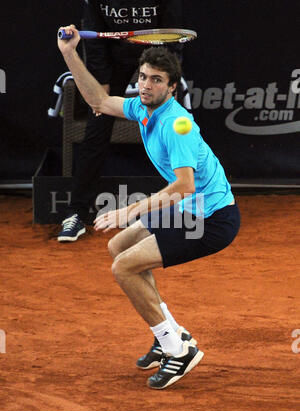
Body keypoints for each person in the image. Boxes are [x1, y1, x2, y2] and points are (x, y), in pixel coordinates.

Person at [57, 25, 240, 389]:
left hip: (210, 219)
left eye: (156, 80)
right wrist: (69, 52)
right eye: (142, 77)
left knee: (123, 267)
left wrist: (128, 211)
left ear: (172, 88)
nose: (145, 85)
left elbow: (185, 185)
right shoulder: (144, 110)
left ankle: (177, 349)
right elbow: (98, 101)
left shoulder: (178, 124)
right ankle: (171, 333)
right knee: (118, 246)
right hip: (189, 208)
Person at [58, 0, 183, 242]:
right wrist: (101, 80)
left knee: (169, 132)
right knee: (97, 128)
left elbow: (172, 36)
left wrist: (165, 81)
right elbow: (95, 40)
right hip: (113, 61)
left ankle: (179, 210)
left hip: (156, 61)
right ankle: (76, 212)